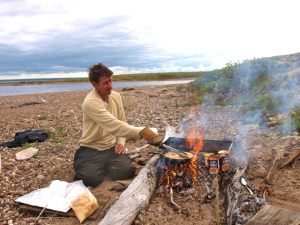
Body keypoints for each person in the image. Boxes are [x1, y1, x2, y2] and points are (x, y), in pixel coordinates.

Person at [73, 63, 162, 187]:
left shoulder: (116, 97)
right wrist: (144, 132)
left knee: (126, 171)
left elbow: (122, 121)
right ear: (94, 84)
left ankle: (102, 166)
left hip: (111, 148)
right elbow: (115, 126)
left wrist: (120, 142)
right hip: (91, 148)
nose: (109, 86)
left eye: (110, 81)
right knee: (90, 180)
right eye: (105, 83)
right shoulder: (91, 102)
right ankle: (89, 165)